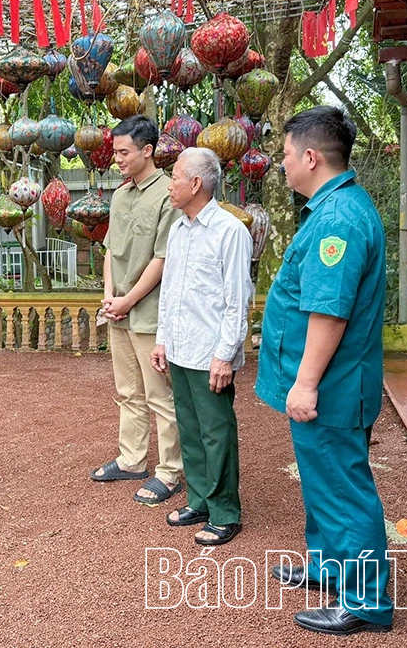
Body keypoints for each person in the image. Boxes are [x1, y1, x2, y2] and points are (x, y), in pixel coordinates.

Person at [256, 106, 393, 635]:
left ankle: (363, 601)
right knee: (322, 483)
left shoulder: (337, 219)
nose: (282, 166)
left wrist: (306, 382)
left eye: (286, 156)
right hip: (332, 384)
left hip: (332, 387)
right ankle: (327, 567)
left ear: (310, 157)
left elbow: (329, 310)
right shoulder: (336, 208)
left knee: (341, 488)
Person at [151, 148, 253, 546]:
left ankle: (226, 511)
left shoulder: (230, 231)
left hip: (211, 353)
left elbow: (236, 300)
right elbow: (170, 293)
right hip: (180, 348)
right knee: (190, 430)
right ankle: (200, 501)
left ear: (196, 183)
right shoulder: (178, 229)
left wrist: (225, 355)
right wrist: (162, 340)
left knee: (216, 431)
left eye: (174, 176)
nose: (169, 185)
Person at [91, 114, 184, 505]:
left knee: (160, 396)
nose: (118, 159)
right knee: (127, 392)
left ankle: (171, 470)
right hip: (120, 310)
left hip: (149, 314)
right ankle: (132, 459)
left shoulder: (168, 195)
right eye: (115, 153)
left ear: (148, 151)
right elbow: (111, 250)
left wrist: (128, 301)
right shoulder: (120, 195)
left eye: (124, 152)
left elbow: (162, 258)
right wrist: (110, 297)